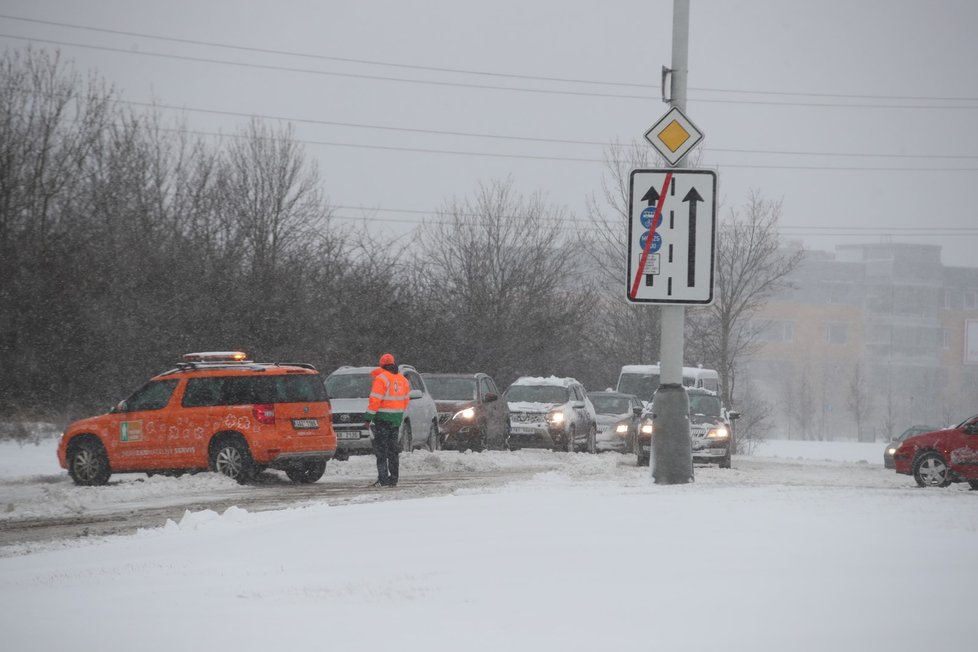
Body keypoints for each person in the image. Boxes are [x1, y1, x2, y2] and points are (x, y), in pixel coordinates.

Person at [363, 353, 411, 487]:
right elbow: (406, 401)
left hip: (382, 419)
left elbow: (375, 401)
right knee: (393, 450)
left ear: (382, 365)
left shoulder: (381, 379)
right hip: (396, 419)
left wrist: (368, 418)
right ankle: (393, 479)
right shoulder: (403, 380)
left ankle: (383, 479)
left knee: (381, 451)